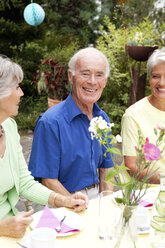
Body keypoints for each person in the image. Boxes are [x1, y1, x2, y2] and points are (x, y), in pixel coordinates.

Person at [0, 55, 88, 238]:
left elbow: (24, 182)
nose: (22, 93)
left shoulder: (8, 127)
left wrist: (64, 200)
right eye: (17, 87)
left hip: (15, 230)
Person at [29, 47, 114, 200]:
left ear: (105, 81)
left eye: (99, 75)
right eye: (85, 73)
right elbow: (48, 181)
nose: (92, 81)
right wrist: (74, 205)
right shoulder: (50, 122)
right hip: (59, 200)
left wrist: (107, 204)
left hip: (95, 196)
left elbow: (106, 169)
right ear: (71, 76)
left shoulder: (102, 119)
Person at [121, 47, 165, 184]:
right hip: (144, 196)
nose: (161, 83)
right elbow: (131, 166)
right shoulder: (133, 115)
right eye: (155, 76)